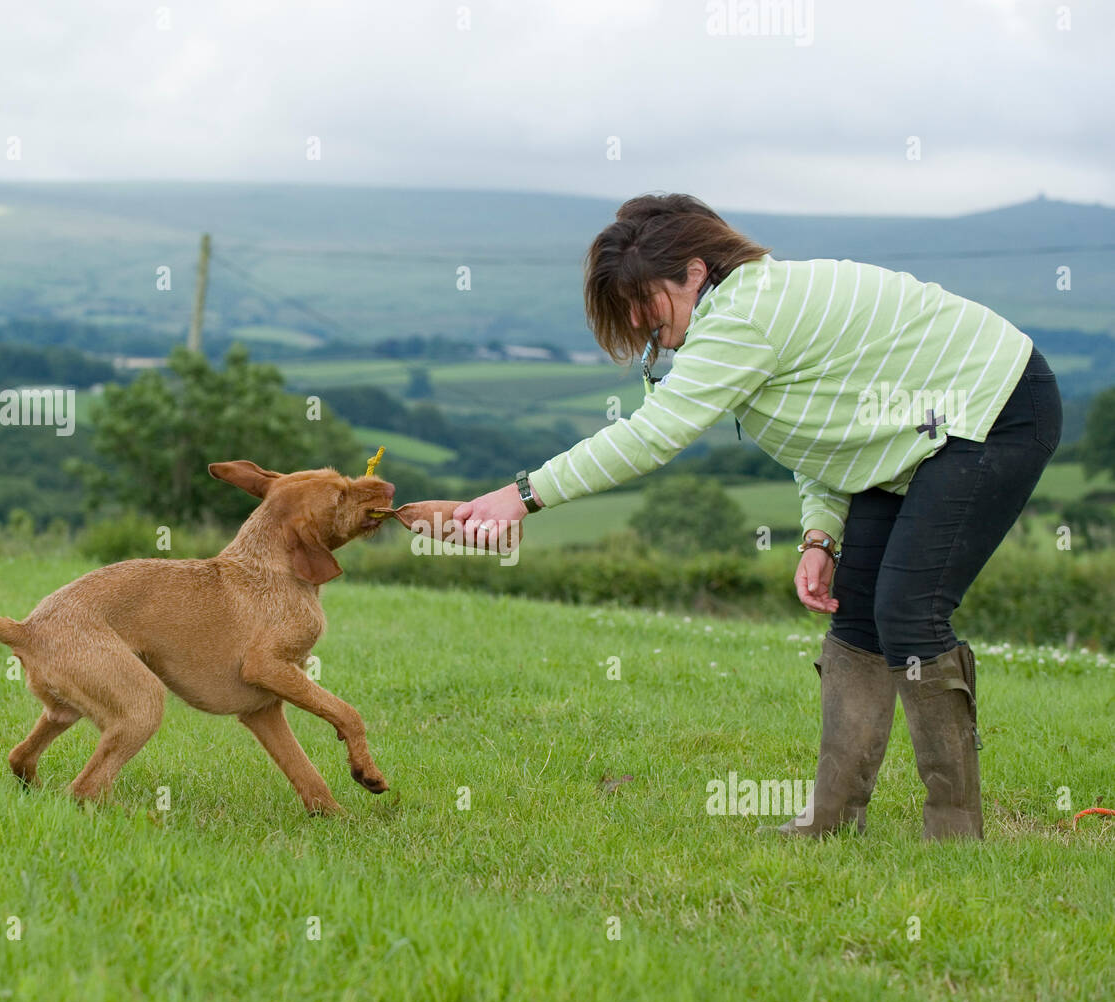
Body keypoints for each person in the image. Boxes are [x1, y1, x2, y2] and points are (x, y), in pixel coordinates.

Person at [455, 193, 1062, 840]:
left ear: (693, 272)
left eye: (644, 297)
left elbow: (650, 437)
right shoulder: (739, 314)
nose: (635, 317)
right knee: (858, 610)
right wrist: (820, 534)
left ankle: (955, 833)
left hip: (994, 409)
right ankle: (830, 818)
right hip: (911, 434)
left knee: (909, 609)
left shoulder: (741, 317)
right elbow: (823, 428)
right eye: (624, 306)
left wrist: (521, 495)